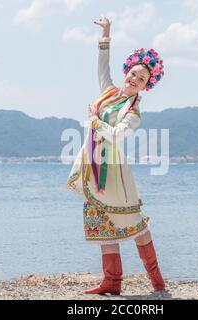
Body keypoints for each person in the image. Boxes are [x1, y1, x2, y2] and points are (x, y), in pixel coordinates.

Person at [65, 15, 165, 296]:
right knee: (101, 221)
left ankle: (157, 281)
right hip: (93, 164)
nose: (134, 79)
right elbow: (102, 66)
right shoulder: (109, 93)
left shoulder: (132, 112)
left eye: (141, 78)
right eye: (133, 73)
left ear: (147, 85)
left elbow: (117, 134)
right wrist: (106, 34)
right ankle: (112, 282)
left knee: (133, 223)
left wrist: (95, 121)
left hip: (114, 172)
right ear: (127, 72)